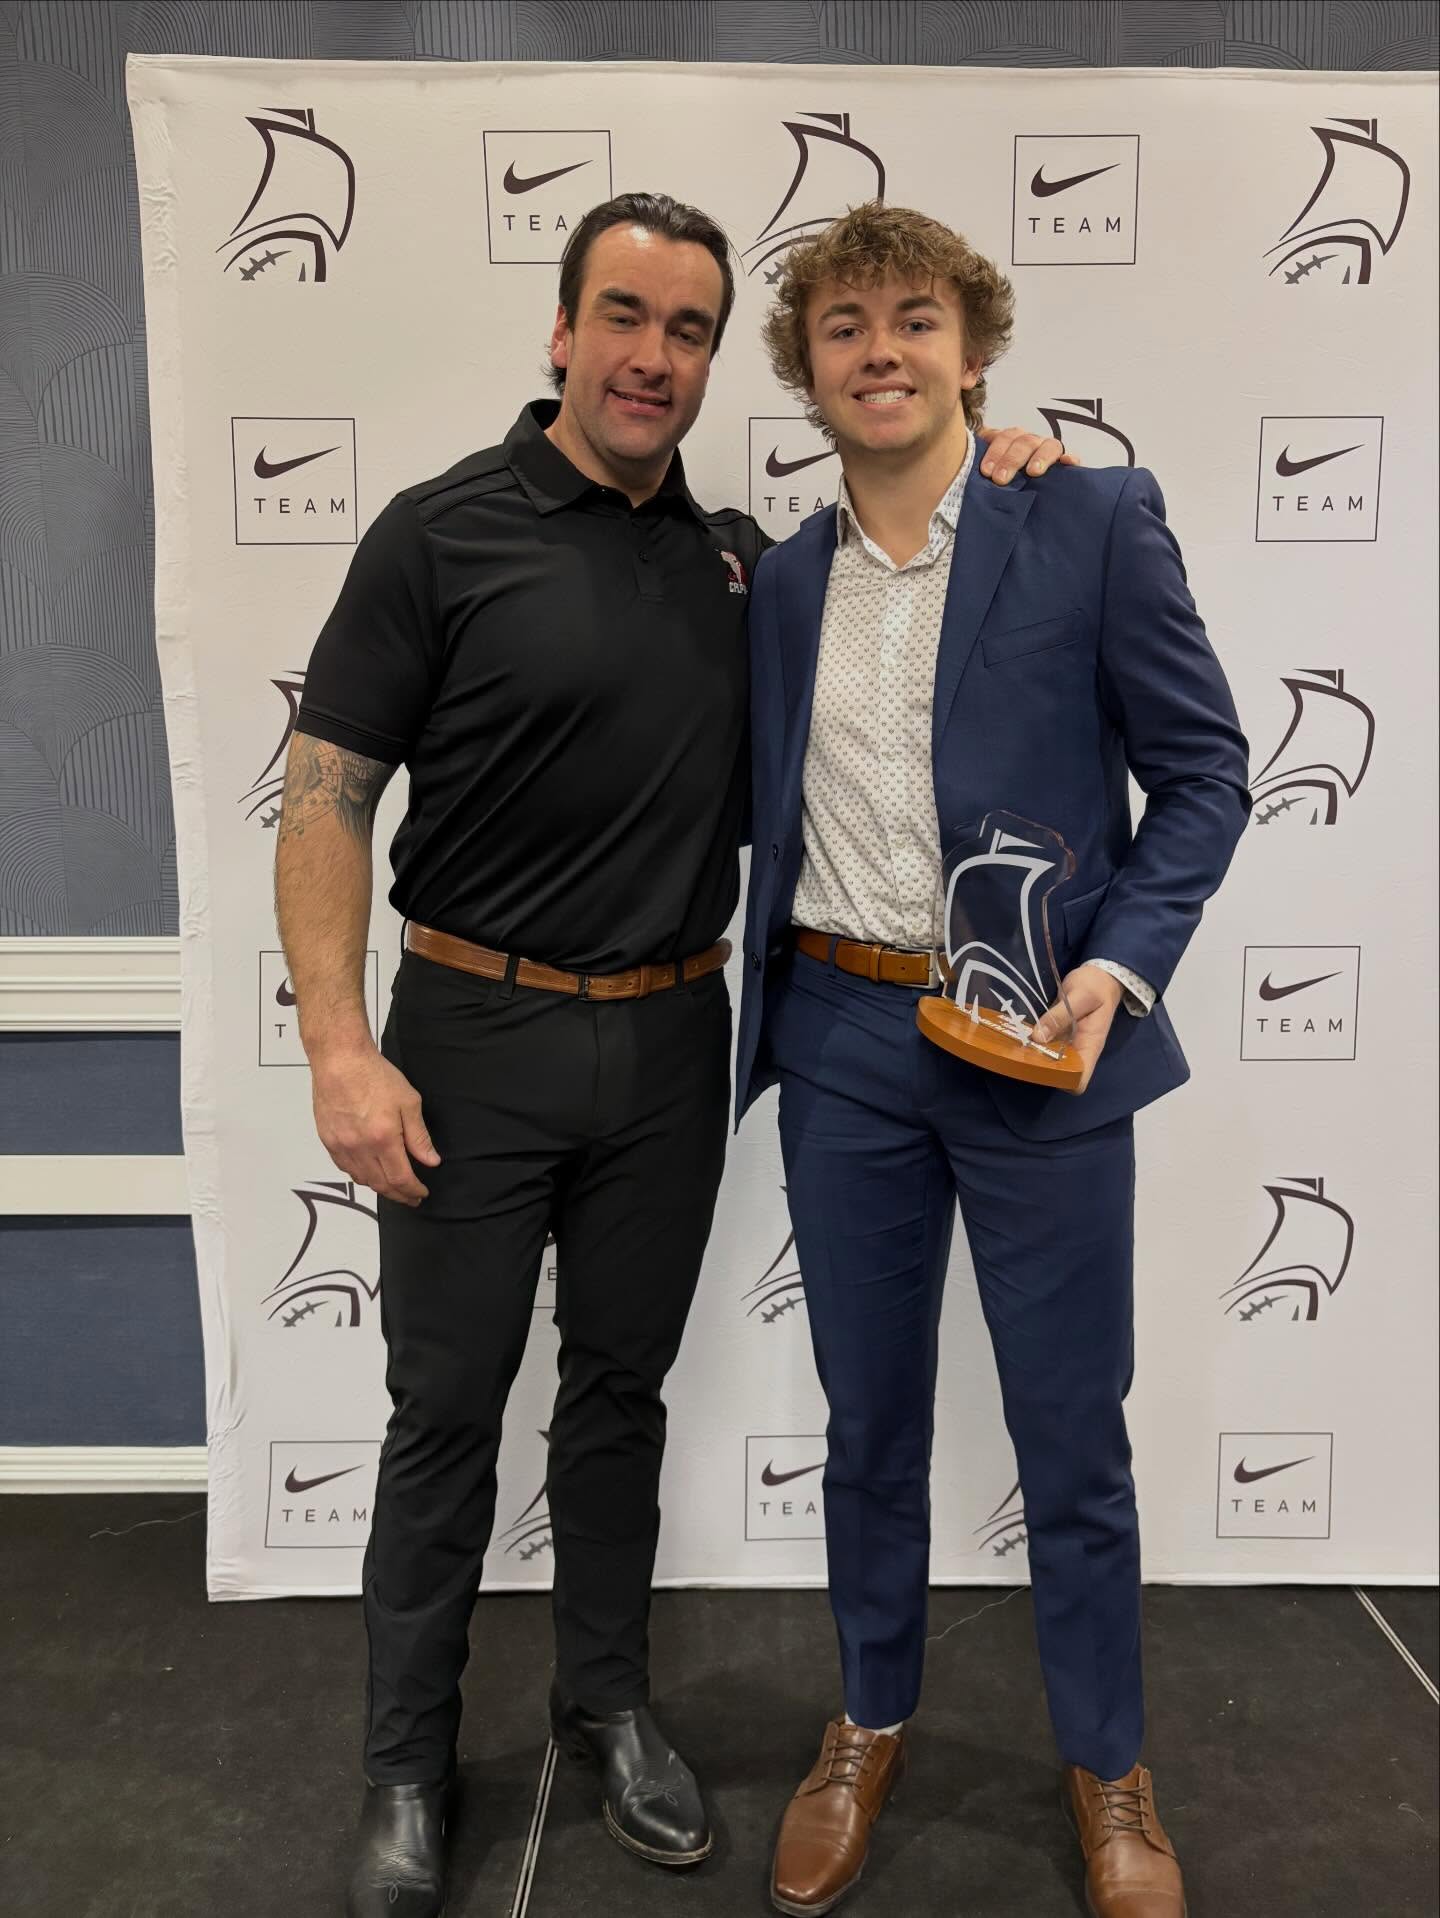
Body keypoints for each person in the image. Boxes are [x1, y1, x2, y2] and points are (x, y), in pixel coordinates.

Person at [274, 190, 1064, 1918]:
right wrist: (337, 1043)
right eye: (624, 316)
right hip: (468, 1041)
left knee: (617, 1397)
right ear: (562, 331)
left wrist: (1013, 461)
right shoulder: (437, 533)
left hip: (667, 1041)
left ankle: (607, 1707)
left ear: (715, 359)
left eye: (688, 329)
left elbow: (916, 579)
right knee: (443, 1414)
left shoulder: (742, 566)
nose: (653, 355)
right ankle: (405, 1763)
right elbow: (325, 793)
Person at [736, 201, 1251, 1918]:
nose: (879, 349)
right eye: (844, 325)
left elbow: (1206, 774)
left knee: (1070, 1430)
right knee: (869, 1421)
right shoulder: (781, 581)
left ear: (974, 350)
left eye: (914, 319)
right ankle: (868, 1719)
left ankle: (1109, 1761)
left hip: (1040, 1041)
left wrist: (1120, 965)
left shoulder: (1088, 516)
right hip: (841, 1032)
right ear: (807, 365)